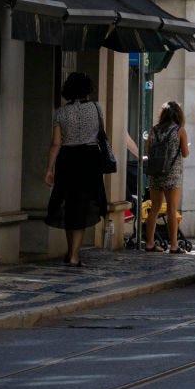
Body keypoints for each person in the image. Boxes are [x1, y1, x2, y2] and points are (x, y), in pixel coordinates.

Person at [44, 71, 108, 267]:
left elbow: (55, 143)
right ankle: (74, 255)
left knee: (69, 205)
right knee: (82, 205)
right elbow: (100, 135)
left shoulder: (61, 112)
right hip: (89, 159)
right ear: (87, 89)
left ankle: (70, 251)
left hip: (67, 159)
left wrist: (49, 168)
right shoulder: (96, 108)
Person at [143, 101, 190, 254]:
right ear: (178, 115)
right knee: (171, 209)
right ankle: (174, 246)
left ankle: (149, 243)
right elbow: (185, 153)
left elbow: (148, 151)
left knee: (154, 209)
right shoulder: (180, 130)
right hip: (172, 174)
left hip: (156, 174)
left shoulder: (154, 130)